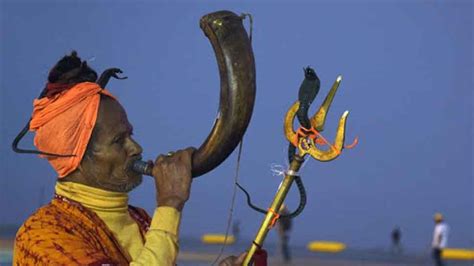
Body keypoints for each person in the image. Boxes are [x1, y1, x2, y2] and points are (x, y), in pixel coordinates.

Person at [13, 52, 245, 265]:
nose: (136, 148)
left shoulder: (139, 220)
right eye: (118, 140)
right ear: (78, 157)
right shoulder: (43, 234)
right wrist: (170, 203)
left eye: (130, 135)